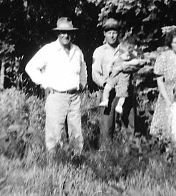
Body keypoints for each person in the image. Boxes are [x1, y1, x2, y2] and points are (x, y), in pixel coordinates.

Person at [25, 17, 87, 156]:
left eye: (68, 32)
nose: (66, 35)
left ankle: (76, 158)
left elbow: (83, 68)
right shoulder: (49, 49)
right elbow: (30, 67)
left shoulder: (77, 50)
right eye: (62, 32)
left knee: (76, 130)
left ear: (73, 34)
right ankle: (54, 162)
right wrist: (45, 84)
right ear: (57, 33)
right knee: (54, 131)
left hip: (74, 96)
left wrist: (82, 82)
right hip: (56, 95)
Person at [92, 19, 140, 145]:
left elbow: (138, 65)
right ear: (104, 34)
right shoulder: (100, 51)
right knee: (107, 127)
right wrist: (106, 83)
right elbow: (95, 73)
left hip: (125, 91)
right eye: (109, 33)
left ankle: (130, 155)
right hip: (109, 93)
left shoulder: (126, 48)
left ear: (118, 33)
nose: (112, 35)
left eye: (114, 32)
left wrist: (121, 68)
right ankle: (107, 156)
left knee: (129, 125)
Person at [99, 39, 142, 113]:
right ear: (120, 54)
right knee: (107, 87)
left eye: (129, 55)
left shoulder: (129, 60)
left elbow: (137, 62)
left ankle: (119, 106)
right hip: (114, 77)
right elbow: (110, 62)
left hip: (124, 79)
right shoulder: (117, 57)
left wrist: (127, 64)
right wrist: (109, 67)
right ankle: (105, 100)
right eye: (126, 56)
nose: (128, 57)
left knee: (123, 94)